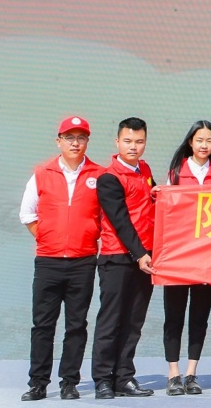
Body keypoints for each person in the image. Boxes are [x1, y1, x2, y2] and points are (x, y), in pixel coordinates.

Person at [19, 116, 105, 402]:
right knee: (43, 325)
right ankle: (38, 383)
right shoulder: (42, 173)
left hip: (83, 261)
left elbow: (107, 215)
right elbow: (27, 214)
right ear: (59, 141)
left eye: (81, 137)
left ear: (87, 142)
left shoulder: (99, 175)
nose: (75, 143)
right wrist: (48, 238)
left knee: (76, 325)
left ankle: (69, 382)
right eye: (69, 137)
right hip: (48, 261)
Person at [91, 117, 157, 400]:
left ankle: (124, 377)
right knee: (111, 321)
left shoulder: (145, 170)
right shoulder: (109, 178)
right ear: (117, 142)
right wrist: (139, 253)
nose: (133, 147)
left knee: (134, 322)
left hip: (145, 258)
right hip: (117, 258)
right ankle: (102, 379)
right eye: (128, 141)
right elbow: (120, 221)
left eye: (139, 141)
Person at [162, 120, 211, 396]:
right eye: (199, 140)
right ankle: (173, 374)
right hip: (178, 256)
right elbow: (165, 212)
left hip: (207, 258)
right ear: (190, 142)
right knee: (174, 316)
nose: (204, 145)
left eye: (209, 141)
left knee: (199, 316)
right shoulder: (176, 172)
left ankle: (191, 373)